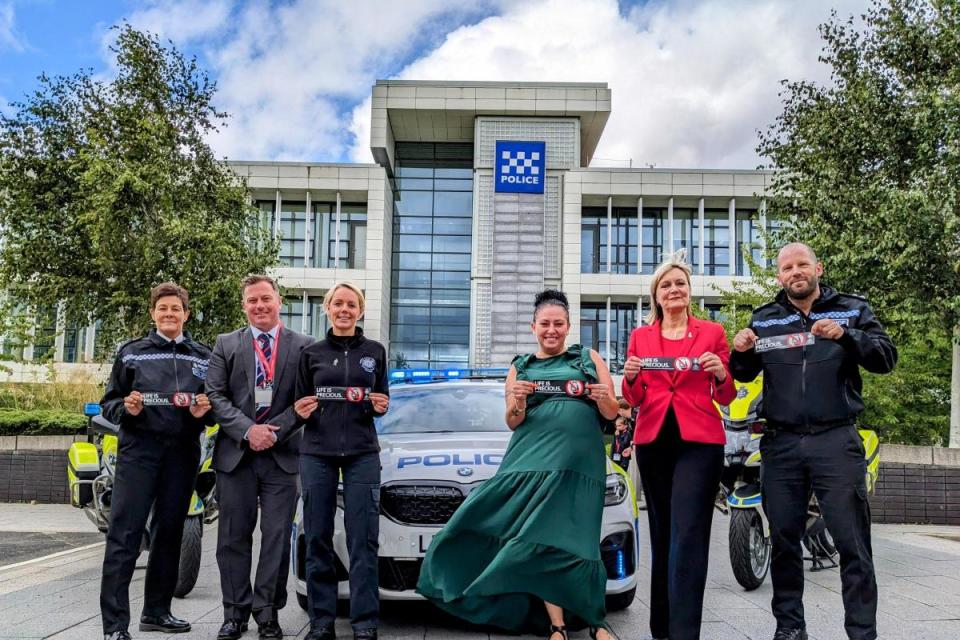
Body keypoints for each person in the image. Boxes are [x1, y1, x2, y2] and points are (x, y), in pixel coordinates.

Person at [417, 289, 620, 640]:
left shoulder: (588, 358)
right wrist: (518, 401)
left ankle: (596, 622)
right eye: (545, 324)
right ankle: (557, 627)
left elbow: (612, 413)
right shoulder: (521, 366)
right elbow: (513, 420)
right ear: (533, 326)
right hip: (532, 464)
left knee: (582, 544)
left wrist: (605, 398)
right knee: (539, 540)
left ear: (569, 326)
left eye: (558, 323)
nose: (551, 330)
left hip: (580, 468)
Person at [730, 243, 897, 640]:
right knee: (785, 542)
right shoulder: (765, 318)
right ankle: (790, 628)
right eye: (787, 268)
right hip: (781, 442)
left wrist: (847, 335)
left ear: (818, 268)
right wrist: (739, 351)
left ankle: (861, 632)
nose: (795, 272)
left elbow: (886, 358)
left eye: (802, 264)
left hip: (836, 439)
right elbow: (742, 373)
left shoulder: (853, 308)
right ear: (779, 277)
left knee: (852, 543)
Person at [621, 254, 736, 640]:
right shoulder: (641, 336)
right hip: (654, 441)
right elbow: (634, 398)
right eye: (666, 285)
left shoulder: (712, 333)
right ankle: (661, 629)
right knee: (662, 533)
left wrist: (721, 372)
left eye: (680, 284)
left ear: (689, 292)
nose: (674, 290)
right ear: (656, 294)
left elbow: (727, 395)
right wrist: (631, 378)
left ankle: (684, 631)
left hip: (699, 443)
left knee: (688, 533)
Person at [98, 282, 213, 640]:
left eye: (175, 309)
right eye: (162, 308)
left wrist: (204, 410)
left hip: (182, 452)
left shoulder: (203, 357)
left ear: (185, 314)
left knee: (170, 533)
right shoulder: (131, 353)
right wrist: (125, 408)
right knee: (125, 534)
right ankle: (115, 626)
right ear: (153, 313)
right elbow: (109, 403)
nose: (169, 314)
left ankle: (157, 613)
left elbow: (211, 411)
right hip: (139, 452)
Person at [206, 275, 315, 640]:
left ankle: (267, 613)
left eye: (265, 298)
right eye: (252, 300)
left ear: (279, 301)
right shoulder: (225, 344)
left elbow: (305, 402)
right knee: (233, 537)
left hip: (283, 457)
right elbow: (215, 396)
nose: (259, 306)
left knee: (276, 537)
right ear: (244, 305)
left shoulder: (303, 347)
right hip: (236, 456)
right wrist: (248, 431)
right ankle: (234, 614)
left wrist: (272, 431)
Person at [293, 282, 390, 640]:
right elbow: (299, 401)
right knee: (317, 538)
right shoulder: (311, 353)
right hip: (316, 452)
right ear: (328, 309)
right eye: (338, 304)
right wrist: (300, 412)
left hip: (363, 452)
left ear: (360, 311)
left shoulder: (375, 352)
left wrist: (378, 406)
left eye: (351, 304)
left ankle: (365, 624)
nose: (344, 309)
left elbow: (381, 399)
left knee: (362, 539)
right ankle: (321, 623)